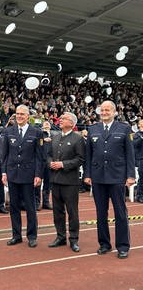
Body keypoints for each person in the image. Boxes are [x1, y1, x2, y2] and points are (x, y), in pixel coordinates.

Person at [84, 100, 135, 259]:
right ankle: (104, 244)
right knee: (101, 213)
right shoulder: (93, 129)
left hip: (117, 176)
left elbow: (130, 154)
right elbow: (88, 155)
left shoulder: (124, 128)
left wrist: (131, 175)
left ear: (114, 112)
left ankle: (123, 246)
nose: (104, 112)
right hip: (98, 176)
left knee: (120, 212)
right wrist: (87, 174)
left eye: (107, 110)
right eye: (102, 110)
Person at [2, 104, 44, 248]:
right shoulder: (8, 131)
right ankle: (16, 235)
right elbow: (5, 155)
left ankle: (32, 236)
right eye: (17, 114)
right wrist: (4, 172)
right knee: (14, 207)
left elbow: (39, 156)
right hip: (13, 174)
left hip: (28, 175)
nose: (19, 116)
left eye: (22, 114)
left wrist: (38, 174)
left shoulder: (36, 132)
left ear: (28, 116)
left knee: (30, 207)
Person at [47, 112, 85, 252]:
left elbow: (80, 159)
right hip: (55, 180)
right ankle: (60, 237)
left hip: (70, 182)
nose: (60, 120)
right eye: (61, 118)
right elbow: (49, 155)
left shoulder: (78, 138)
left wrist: (63, 164)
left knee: (72, 212)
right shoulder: (55, 137)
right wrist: (50, 163)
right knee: (57, 211)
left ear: (72, 123)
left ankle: (74, 239)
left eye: (64, 119)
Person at [133, 119, 143, 202]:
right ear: (139, 125)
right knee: (142, 178)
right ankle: (139, 196)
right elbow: (134, 145)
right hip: (140, 159)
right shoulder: (137, 134)